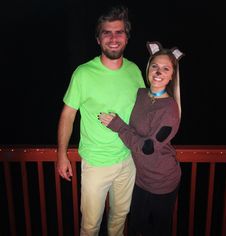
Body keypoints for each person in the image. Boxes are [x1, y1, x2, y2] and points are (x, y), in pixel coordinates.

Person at [56, 4, 145, 236]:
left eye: (119, 32)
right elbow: (68, 115)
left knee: (119, 219)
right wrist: (61, 154)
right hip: (96, 163)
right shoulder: (83, 73)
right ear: (98, 39)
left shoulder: (135, 71)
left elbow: (146, 111)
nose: (113, 38)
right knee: (90, 225)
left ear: (126, 38)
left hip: (128, 160)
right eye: (107, 32)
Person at [99, 41, 184, 236]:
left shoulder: (170, 110)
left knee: (158, 231)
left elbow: (147, 147)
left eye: (165, 68)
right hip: (141, 179)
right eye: (154, 66)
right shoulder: (140, 94)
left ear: (172, 76)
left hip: (163, 181)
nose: (158, 71)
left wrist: (118, 126)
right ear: (148, 69)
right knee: (137, 228)